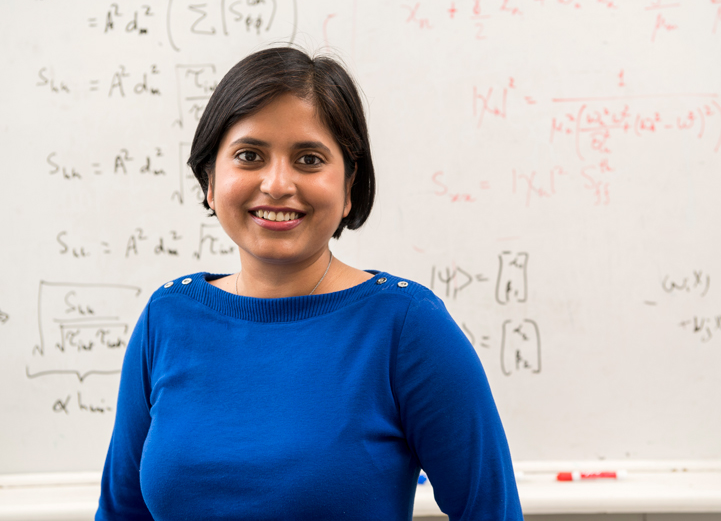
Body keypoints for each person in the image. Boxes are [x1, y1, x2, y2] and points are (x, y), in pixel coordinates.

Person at [96, 47, 523, 521]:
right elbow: (120, 513)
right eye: (249, 155)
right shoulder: (167, 318)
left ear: (348, 185)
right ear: (210, 180)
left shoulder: (406, 327)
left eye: (309, 159)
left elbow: (492, 512)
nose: (277, 184)